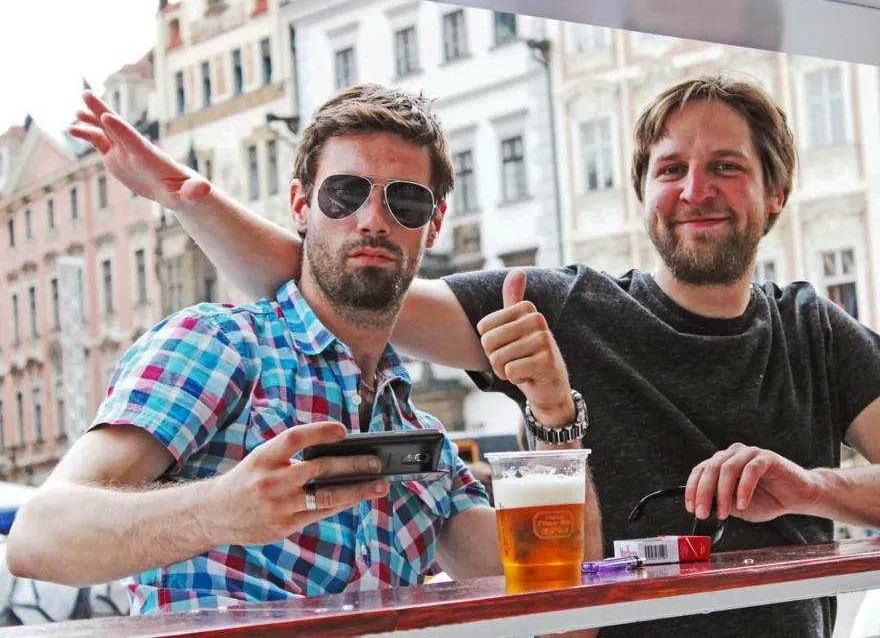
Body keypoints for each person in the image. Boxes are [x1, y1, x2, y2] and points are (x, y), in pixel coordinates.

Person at [118, 74, 880, 637]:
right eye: (671, 168)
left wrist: (813, 490)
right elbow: (354, 276)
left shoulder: (814, 330)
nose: (695, 190)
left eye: (727, 167)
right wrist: (188, 198)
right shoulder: (564, 306)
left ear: (776, 191)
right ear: (641, 192)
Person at [5, 84, 602, 618]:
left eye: (407, 202)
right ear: (300, 205)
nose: (372, 218)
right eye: (344, 193)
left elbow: (557, 598)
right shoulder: (222, 346)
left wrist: (553, 414)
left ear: (434, 222)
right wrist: (219, 510)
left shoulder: (422, 443)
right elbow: (38, 539)